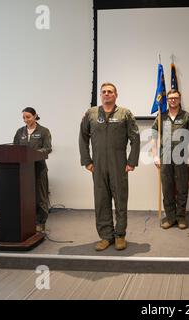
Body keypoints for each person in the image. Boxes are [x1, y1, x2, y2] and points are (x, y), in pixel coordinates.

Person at [79, 83, 140, 251]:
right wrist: (87, 161)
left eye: (110, 92)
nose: (107, 94)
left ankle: (120, 235)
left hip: (118, 164)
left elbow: (135, 138)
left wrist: (131, 161)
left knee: (120, 199)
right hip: (98, 165)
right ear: (100, 95)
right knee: (101, 201)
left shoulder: (125, 114)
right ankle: (106, 236)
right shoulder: (91, 114)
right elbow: (83, 137)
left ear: (116, 95)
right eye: (104, 92)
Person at [152, 89, 189, 230]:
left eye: (175, 98)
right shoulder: (161, 117)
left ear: (179, 99)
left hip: (182, 157)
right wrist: (155, 155)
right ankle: (170, 217)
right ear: (167, 100)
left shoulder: (186, 116)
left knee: (182, 187)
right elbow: (154, 136)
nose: (173, 100)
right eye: (170, 98)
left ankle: (181, 217)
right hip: (165, 157)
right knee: (167, 187)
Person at [13, 107, 52, 232]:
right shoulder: (20, 132)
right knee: (25, 196)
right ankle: (27, 221)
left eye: (28, 117)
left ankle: (40, 222)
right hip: (23, 170)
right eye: (24, 117)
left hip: (38, 168)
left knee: (40, 197)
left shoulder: (44, 131)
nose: (26, 120)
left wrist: (33, 153)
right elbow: (15, 148)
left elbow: (47, 148)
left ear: (35, 116)